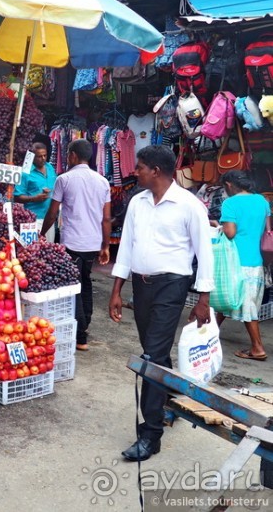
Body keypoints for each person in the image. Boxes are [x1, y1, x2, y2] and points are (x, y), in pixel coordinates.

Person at [108, 145, 214, 462]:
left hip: (172, 285)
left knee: (151, 357)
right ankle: (169, 399)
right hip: (141, 285)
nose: (134, 171)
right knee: (156, 350)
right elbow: (126, 247)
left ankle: (150, 434)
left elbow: (204, 252)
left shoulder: (189, 205)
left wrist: (203, 298)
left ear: (155, 170)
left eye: (139, 167)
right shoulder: (137, 203)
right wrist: (116, 290)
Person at [40, 139, 111, 350]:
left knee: (74, 287)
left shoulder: (64, 179)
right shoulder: (103, 181)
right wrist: (106, 245)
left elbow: (53, 213)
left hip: (72, 242)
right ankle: (85, 323)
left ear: (71, 155)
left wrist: (42, 233)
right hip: (93, 242)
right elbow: (106, 219)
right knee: (86, 281)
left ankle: (80, 337)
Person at [215, 170, 269, 361]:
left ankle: (257, 348)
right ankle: (208, 332)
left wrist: (219, 226)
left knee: (246, 305)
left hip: (236, 261)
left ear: (229, 185)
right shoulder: (262, 201)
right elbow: (265, 229)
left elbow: (230, 232)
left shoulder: (230, 203)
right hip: (255, 261)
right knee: (229, 297)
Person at [14, 142, 57, 241]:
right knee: (33, 251)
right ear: (32, 157)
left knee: (49, 251)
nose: (43, 158)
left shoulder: (50, 168)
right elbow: (17, 197)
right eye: (39, 156)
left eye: (45, 155)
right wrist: (34, 198)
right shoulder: (25, 172)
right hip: (32, 220)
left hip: (49, 219)